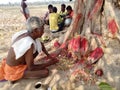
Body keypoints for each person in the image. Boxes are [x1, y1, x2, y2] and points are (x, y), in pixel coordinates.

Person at [0, 16, 58, 83]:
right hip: (13, 69)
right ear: (35, 30)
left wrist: (48, 55)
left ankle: (23, 69)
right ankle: (15, 76)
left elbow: (41, 44)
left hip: (12, 63)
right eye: (42, 29)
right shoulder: (29, 43)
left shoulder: (26, 33)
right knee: (45, 72)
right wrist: (49, 63)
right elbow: (31, 67)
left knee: (37, 47)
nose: (43, 31)